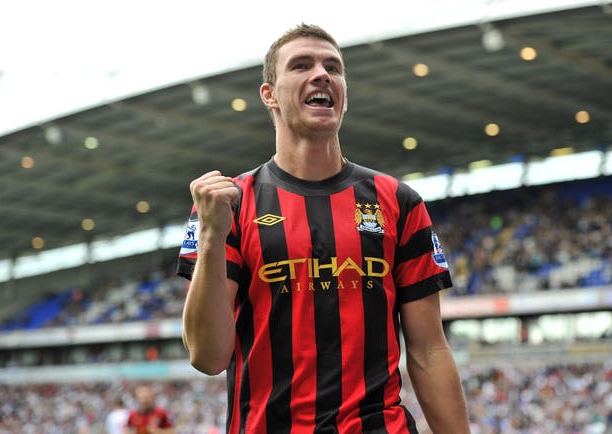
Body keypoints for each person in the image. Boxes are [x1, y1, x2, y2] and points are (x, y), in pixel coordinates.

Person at [177, 23, 470, 434]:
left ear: (344, 96)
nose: (322, 74)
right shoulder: (228, 203)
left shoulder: (399, 202)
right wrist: (210, 236)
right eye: (301, 65)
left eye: (333, 67)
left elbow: (428, 351)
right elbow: (207, 357)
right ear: (270, 94)